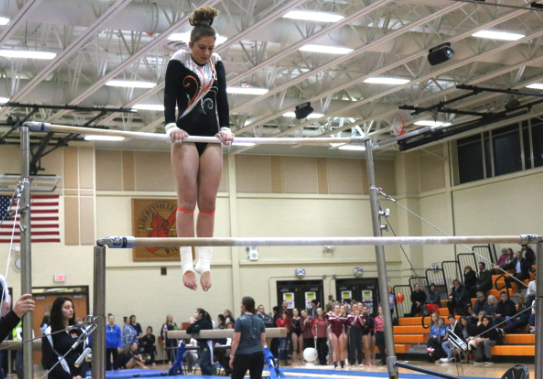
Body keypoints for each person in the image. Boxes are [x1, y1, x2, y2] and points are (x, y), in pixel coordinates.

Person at [164, 5, 233, 292]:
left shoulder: (217, 63)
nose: (206, 53)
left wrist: (226, 127)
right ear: (191, 44)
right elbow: (169, 97)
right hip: (186, 136)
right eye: (202, 48)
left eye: (210, 48)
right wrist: (170, 126)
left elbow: (223, 99)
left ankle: (205, 264)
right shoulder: (178, 62)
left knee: (209, 203)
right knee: (187, 200)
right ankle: (186, 266)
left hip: (212, 138)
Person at [42, 297, 88, 379]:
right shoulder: (49, 332)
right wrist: (70, 377)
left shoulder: (78, 330)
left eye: (72, 307)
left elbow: (86, 355)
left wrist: (80, 375)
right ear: (58, 310)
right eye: (67, 307)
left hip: (78, 376)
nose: (71, 310)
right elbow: (48, 362)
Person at [229, 297, 266, 379]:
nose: (240, 305)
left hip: (243, 354)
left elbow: (236, 340)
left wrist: (232, 356)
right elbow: (263, 340)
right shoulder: (260, 320)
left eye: (241, 304)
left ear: (244, 306)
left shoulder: (240, 320)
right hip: (258, 354)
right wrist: (265, 354)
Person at [186, 308, 214, 375]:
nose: (194, 313)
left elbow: (195, 330)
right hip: (202, 344)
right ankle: (206, 377)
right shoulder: (198, 322)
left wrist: (192, 324)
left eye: (196, 312)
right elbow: (188, 331)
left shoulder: (204, 322)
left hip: (207, 344)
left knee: (203, 364)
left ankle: (212, 377)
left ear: (200, 314)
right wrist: (191, 324)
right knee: (203, 364)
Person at [327, 304, 347, 369]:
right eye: (337, 308)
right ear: (334, 309)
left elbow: (343, 326)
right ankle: (335, 362)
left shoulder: (342, 316)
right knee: (335, 348)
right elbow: (329, 327)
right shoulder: (330, 316)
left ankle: (342, 362)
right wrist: (330, 335)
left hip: (340, 332)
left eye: (339, 308)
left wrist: (344, 334)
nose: (338, 309)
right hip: (333, 332)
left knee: (341, 348)